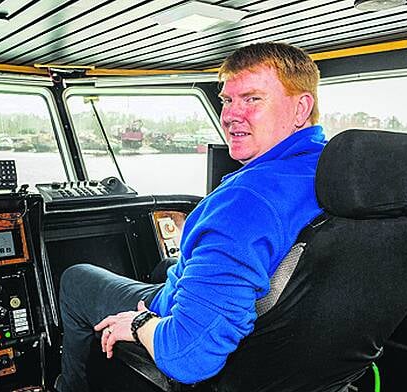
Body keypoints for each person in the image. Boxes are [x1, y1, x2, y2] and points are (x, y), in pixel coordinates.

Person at [57, 42, 327, 391]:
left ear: (300, 108)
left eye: (252, 99)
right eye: (228, 100)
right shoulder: (327, 172)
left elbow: (188, 355)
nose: (230, 115)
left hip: (184, 328)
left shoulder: (245, 202)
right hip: (287, 355)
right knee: (164, 267)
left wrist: (140, 323)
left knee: (77, 279)